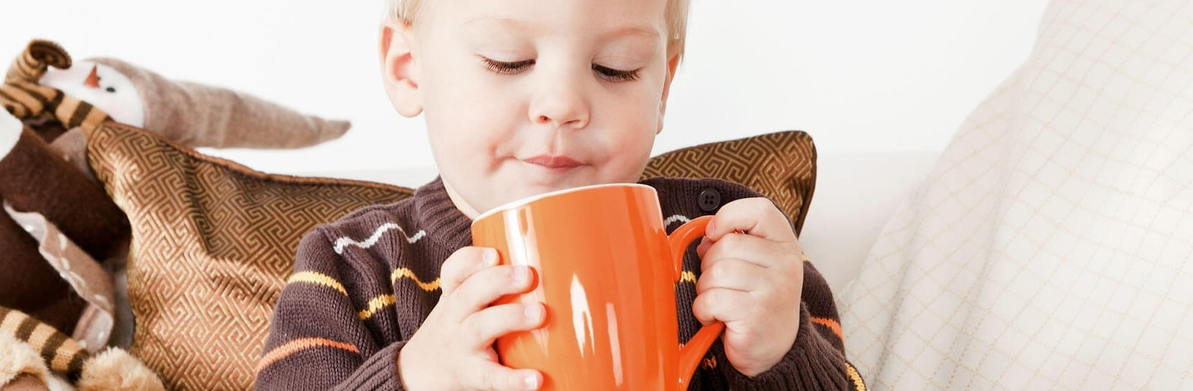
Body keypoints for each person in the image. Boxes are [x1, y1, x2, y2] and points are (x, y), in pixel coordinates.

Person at [256, 0, 859, 389]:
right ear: (409, 67)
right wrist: (411, 380)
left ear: (663, 87)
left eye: (616, 67)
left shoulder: (728, 242)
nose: (563, 104)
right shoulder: (354, 267)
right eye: (508, 60)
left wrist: (783, 354)